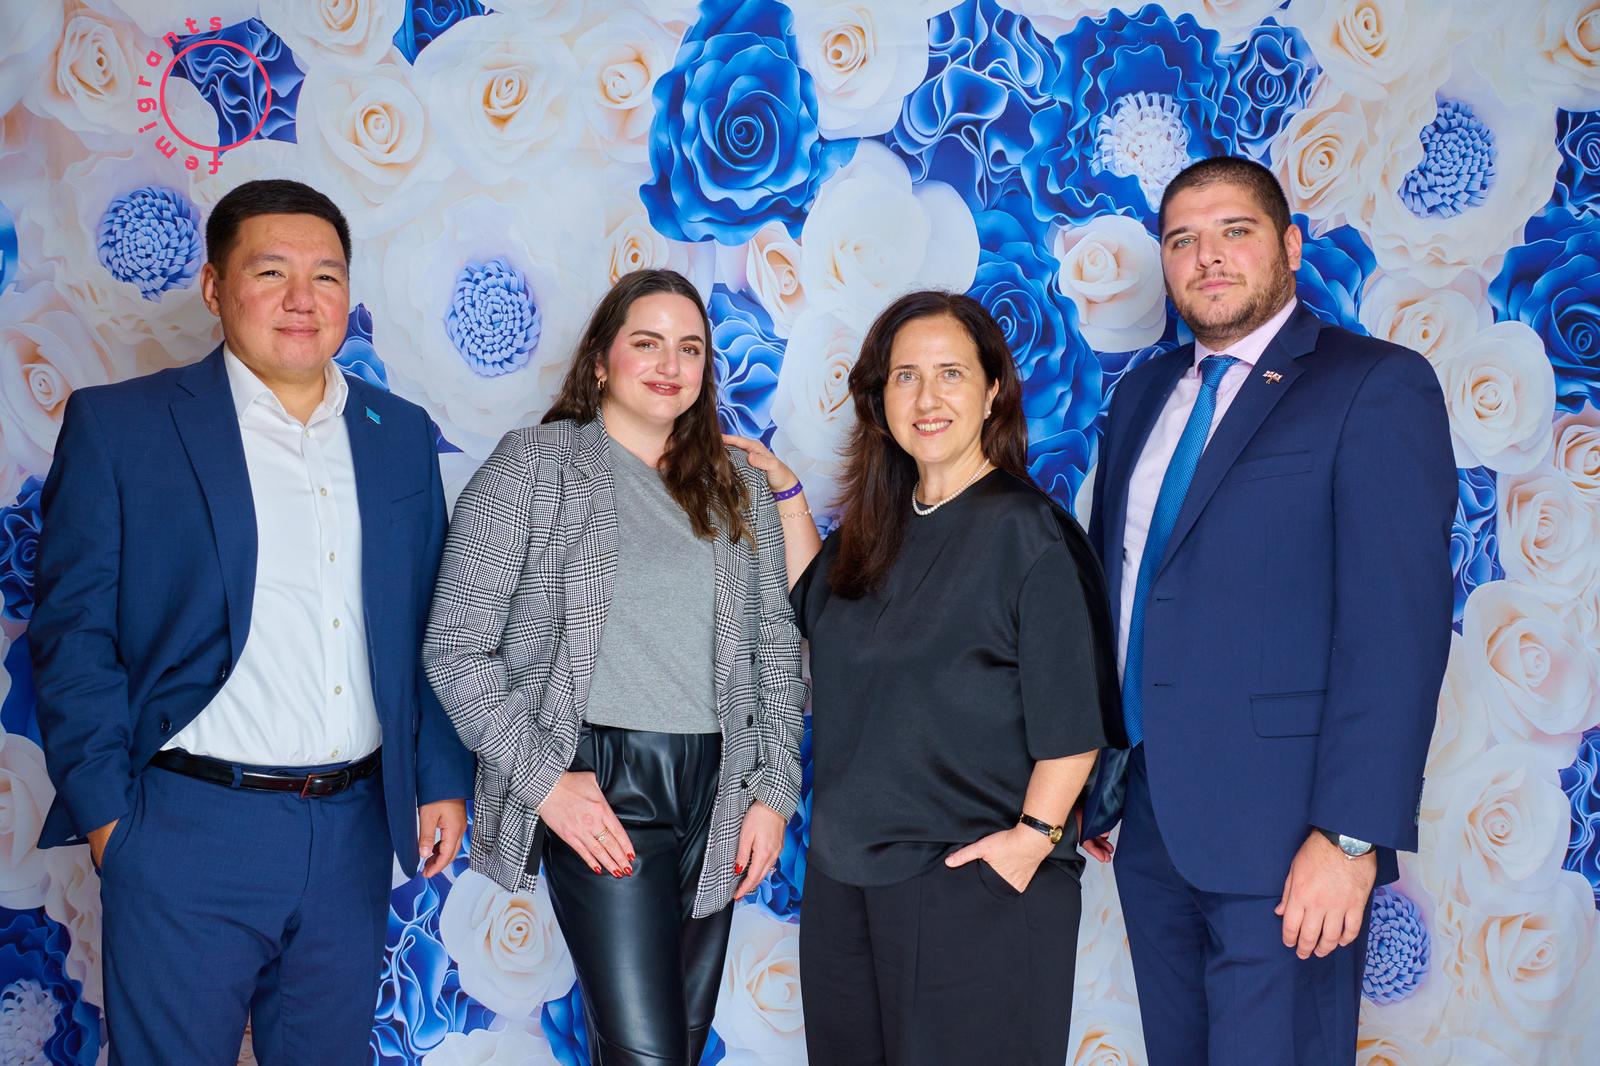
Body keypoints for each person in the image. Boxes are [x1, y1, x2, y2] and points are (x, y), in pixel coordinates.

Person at [29, 179, 473, 1065]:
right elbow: (72, 638)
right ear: (213, 286)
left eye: (326, 276)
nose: (302, 299)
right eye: (272, 272)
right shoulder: (123, 427)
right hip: (186, 829)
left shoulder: (398, 434)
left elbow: (430, 619)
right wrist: (114, 823)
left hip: (353, 830)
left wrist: (440, 778)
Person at [1079, 156, 1456, 1064]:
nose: (1207, 257)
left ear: (1288, 246)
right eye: (1182, 240)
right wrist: (1099, 775)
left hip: (1292, 836)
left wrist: (1350, 838)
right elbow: (1117, 591)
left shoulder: (1374, 385)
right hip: (1151, 821)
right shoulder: (1142, 396)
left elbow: (1397, 635)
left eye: (1234, 232)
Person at [422, 269, 806, 1066]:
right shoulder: (533, 466)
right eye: (647, 343)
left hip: (720, 788)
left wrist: (774, 791)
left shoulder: (736, 487)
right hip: (601, 780)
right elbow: (454, 644)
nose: (670, 365)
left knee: (678, 1048)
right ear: (601, 360)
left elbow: (775, 646)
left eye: (690, 349)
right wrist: (546, 782)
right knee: (647, 1056)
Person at [729, 290, 1122, 1065]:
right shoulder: (882, 527)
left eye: (950, 373)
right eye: (905, 377)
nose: (927, 398)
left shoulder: (1029, 533)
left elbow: (1076, 719)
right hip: (847, 882)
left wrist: (1032, 841)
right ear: (879, 401)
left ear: (994, 391)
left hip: (972, 882)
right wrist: (787, 497)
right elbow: (821, 612)